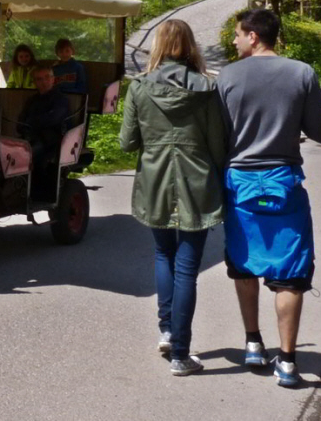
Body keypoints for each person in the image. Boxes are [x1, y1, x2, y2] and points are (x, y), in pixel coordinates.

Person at [216, 8, 321, 388]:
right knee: (291, 276)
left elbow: (218, 137)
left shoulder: (227, 77)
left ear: (252, 36)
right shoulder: (302, 73)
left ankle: (252, 343)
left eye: (236, 34)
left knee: (244, 264)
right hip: (284, 180)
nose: (234, 41)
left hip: (240, 182)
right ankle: (287, 361)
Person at [119, 19, 226, 377]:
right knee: (187, 269)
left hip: (154, 182)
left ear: (158, 47)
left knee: (163, 254)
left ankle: (167, 330)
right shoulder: (208, 88)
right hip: (197, 183)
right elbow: (217, 145)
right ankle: (181, 353)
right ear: (190, 45)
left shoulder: (139, 88)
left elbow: (127, 142)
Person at [17, 64, 70, 186]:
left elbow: (53, 119)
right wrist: (26, 127)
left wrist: (31, 123)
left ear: (53, 79)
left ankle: (32, 189)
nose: (44, 82)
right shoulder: (31, 100)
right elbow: (21, 121)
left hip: (52, 140)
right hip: (31, 137)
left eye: (47, 77)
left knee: (25, 155)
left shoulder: (60, 99)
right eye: (39, 79)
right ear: (34, 82)